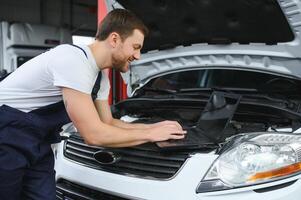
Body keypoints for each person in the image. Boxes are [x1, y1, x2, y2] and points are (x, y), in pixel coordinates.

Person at [0, 9, 186, 200]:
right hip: (6, 135)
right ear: (114, 39)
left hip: (35, 140)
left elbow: (108, 122)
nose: (138, 56)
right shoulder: (72, 60)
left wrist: (154, 127)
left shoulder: (99, 78)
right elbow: (93, 134)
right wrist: (149, 134)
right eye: (136, 47)